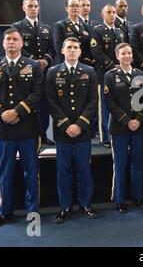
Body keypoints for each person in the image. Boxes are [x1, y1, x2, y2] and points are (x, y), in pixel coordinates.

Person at [0, 28, 43, 229]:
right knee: (4, 172)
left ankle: (32, 211)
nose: (11, 42)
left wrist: (17, 112)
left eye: (15, 39)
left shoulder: (33, 65)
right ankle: (4, 211)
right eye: (8, 39)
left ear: (22, 43)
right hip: (2, 129)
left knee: (31, 172)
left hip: (27, 127)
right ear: (3, 43)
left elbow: (37, 93)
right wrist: (2, 114)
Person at [45, 37, 99, 223]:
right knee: (63, 169)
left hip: (83, 129)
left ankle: (85, 203)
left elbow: (93, 101)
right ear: (62, 51)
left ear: (80, 51)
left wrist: (80, 124)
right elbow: (51, 102)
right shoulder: (53, 72)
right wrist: (67, 125)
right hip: (63, 130)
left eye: (76, 47)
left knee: (84, 168)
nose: (72, 50)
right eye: (69, 47)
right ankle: (65, 206)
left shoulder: (89, 71)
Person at [104, 43, 143, 213]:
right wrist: (127, 120)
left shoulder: (141, 75)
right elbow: (110, 103)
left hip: (139, 126)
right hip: (119, 127)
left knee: (138, 163)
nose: (127, 56)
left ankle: (138, 197)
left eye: (129, 53)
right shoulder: (110, 76)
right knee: (120, 164)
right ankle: (120, 199)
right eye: (123, 53)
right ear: (117, 56)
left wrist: (138, 120)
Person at [11, 0, 55, 146]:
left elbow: (52, 49)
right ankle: (29, 134)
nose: (33, 9)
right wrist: (33, 61)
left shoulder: (46, 28)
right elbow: (17, 48)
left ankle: (42, 135)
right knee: (28, 104)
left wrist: (46, 60)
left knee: (44, 106)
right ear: (24, 8)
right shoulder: (16, 27)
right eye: (30, 6)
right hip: (25, 74)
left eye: (36, 6)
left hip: (44, 73)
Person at [90, 4, 125, 147]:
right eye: (109, 12)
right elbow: (96, 52)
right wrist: (113, 66)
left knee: (117, 105)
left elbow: (123, 51)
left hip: (118, 75)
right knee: (103, 107)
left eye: (114, 12)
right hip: (103, 75)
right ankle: (105, 137)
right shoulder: (97, 31)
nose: (112, 15)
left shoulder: (119, 32)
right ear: (102, 14)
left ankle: (115, 133)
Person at [53, 0, 93, 66]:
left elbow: (90, 47)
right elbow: (59, 48)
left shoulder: (87, 26)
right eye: (72, 6)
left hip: (84, 65)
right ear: (66, 8)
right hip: (66, 64)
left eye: (77, 6)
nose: (75, 8)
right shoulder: (60, 26)